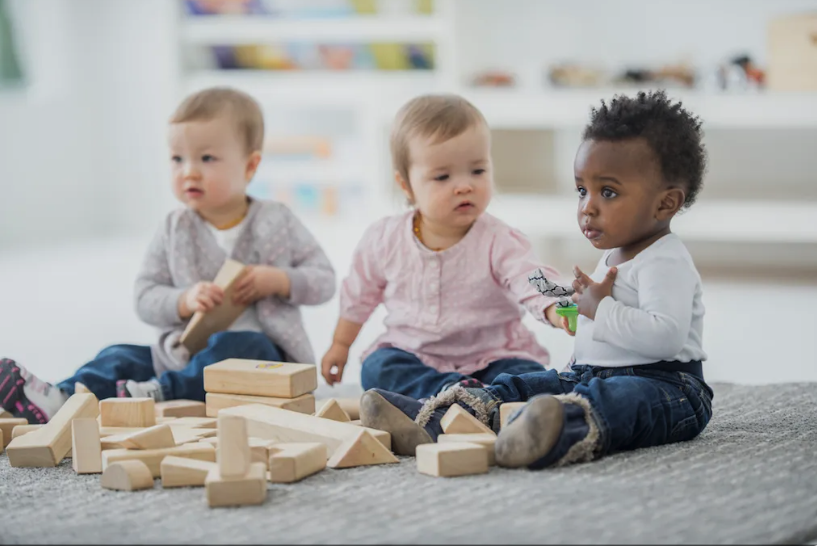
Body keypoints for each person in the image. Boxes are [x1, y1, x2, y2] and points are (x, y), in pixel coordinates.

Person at [359, 90, 714, 464]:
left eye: (607, 192)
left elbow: (666, 338)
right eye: (582, 191)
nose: (587, 207)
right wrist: (570, 304)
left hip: (668, 386)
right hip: (593, 375)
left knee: (617, 400)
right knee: (524, 386)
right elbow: (568, 304)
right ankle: (443, 417)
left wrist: (600, 308)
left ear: (665, 203)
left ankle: (553, 429)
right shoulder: (618, 252)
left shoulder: (665, 260)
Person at [0, 87, 335, 423]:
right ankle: (59, 398)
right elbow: (145, 296)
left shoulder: (277, 220)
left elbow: (325, 280)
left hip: (264, 362)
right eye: (177, 159)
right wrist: (183, 300)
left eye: (207, 158)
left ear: (250, 166)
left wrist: (280, 280)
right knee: (118, 356)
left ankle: (158, 392)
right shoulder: (175, 228)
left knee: (242, 346)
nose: (189, 171)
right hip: (182, 353)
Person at [320, 93, 571, 402]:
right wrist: (340, 345)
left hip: (494, 355)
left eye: (478, 171)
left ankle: (467, 400)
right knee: (377, 368)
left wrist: (556, 307)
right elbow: (358, 295)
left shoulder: (499, 239)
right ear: (406, 185)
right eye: (442, 176)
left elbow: (529, 277)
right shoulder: (384, 239)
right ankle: (463, 396)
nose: (464, 185)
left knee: (526, 373)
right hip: (415, 354)